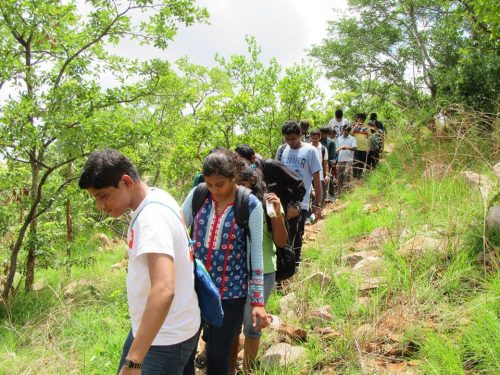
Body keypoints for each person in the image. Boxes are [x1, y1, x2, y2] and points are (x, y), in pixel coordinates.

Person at [78, 149, 200, 375]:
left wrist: (134, 361)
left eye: (102, 195)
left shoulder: (151, 219)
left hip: (165, 337)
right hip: (164, 327)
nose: (100, 206)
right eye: (95, 198)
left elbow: (164, 289)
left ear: (126, 182)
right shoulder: (157, 196)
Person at [181, 150, 267, 375]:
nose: (214, 190)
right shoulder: (198, 195)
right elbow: (177, 230)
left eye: (220, 184)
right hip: (194, 289)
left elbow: (255, 255)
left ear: (234, 177)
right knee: (185, 353)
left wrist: (258, 302)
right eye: (209, 184)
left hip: (231, 294)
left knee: (218, 357)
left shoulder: (250, 205)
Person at [235, 165, 288, 374]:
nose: (242, 192)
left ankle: (246, 370)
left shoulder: (267, 203)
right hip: (234, 271)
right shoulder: (228, 203)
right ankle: (231, 367)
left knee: (252, 326)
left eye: (245, 186)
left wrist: (277, 215)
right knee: (231, 326)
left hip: (263, 270)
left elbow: (281, 241)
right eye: (238, 186)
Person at [276, 121, 322, 266]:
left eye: (293, 139)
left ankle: (295, 264)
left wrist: (318, 204)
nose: (290, 142)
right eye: (287, 139)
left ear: (300, 135)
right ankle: (284, 265)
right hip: (283, 201)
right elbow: (277, 174)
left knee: (297, 233)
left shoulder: (310, 151)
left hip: (301, 202)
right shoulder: (282, 150)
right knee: (282, 234)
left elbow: (316, 178)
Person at [310, 128, 329, 208]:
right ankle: (312, 213)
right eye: (313, 138)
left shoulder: (323, 149)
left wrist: (327, 174)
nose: (315, 140)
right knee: (310, 196)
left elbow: (325, 163)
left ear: (319, 137)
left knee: (321, 195)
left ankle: (320, 211)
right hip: (309, 177)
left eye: (316, 138)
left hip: (320, 176)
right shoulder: (307, 148)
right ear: (310, 137)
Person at [335, 126, 357, 194]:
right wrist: (339, 150)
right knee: (339, 175)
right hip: (340, 159)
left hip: (349, 159)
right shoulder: (339, 138)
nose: (346, 132)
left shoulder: (352, 138)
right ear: (342, 130)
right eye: (344, 130)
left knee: (347, 174)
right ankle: (339, 191)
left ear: (349, 131)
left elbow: (355, 148)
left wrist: (347, 148)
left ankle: (346, 191)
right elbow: (336, 149)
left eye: (347, 130)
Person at [320, 126, 337, 202]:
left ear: (327, 133)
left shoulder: (331, 143)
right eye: (321, 133)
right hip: (318, 164)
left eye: (324, 134)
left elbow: (333, 155)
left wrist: (333, 161)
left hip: (327, 164)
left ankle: (332, 195)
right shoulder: (317, 141)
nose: (323, 135)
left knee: (329, 180)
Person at [352, 113, 370, 179]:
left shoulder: (367, 127)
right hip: (355, 148)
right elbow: (351, 134)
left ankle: (359, 175)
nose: (361, 120)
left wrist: (368, 147)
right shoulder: (354, 126)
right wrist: (355, 126)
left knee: (362, 163)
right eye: (359, 118)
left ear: (364, 119)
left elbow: (369, 137)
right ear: (357, 119)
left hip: (364, 148)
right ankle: (354, 175)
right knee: (355, 162)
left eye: (362, 119)